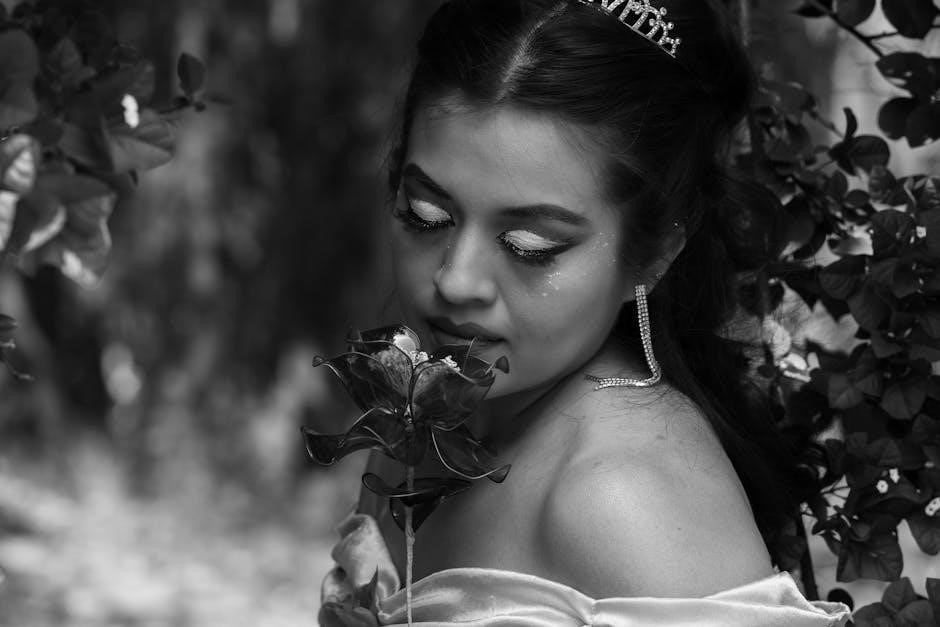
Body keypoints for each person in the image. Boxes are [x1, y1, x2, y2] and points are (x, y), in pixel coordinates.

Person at [319, 0, 852, 624]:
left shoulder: (623, 499)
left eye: (529, 246)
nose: (456, 280)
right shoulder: (422, 415)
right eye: (426, 216)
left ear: (652, 256)